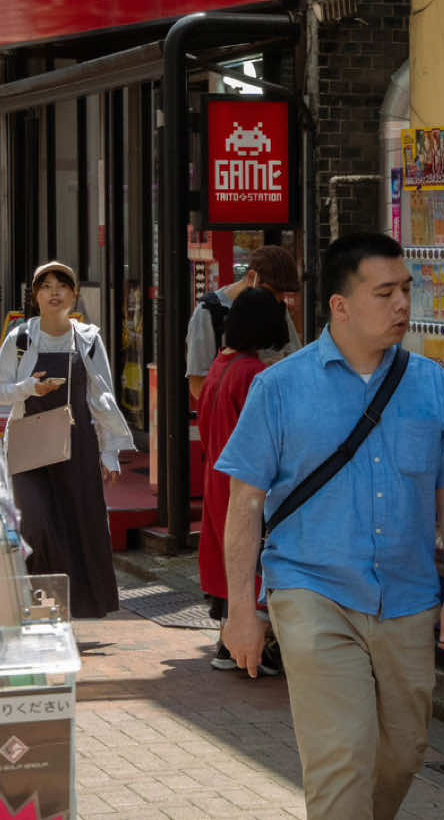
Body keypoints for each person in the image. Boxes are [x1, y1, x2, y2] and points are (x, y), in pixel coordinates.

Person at [218, 232, 444, 820]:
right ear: (340, 305)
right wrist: (242, 610)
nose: (402, 306)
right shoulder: (279, 388)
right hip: (312, 591)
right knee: (343, 756)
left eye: (407, 290)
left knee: (401, 752)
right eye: (384, 292)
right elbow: (245, 505)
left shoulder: (429, 383)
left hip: (409, 597)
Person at [0, 261, 134, 619]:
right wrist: (29, 387)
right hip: (29, 442)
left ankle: (67, 608)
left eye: (61, 285)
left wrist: (110, 451)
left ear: (74, 294)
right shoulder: (20, 338)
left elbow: (102, 396)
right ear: (35, 296)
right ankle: (33, 604)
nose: (54, 292)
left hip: (77, 442)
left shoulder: (88, 339)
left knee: (78, 520)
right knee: (34, 522)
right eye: (45, 286)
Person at [196, 287, 288, 676]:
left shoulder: (220, 366)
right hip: (249, 480)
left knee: (230, 558)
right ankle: (257, 646)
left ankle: (227, 640)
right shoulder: (254, 374)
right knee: (256, 559)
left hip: (217, 475)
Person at [185, 244, 302, 401]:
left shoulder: (276, 306)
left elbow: (295, 359)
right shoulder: (208, 313)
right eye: (274, 291)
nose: (279, 298)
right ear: (252, 278)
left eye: (283, 293)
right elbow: (198, 386)